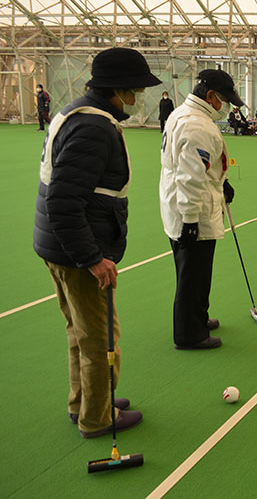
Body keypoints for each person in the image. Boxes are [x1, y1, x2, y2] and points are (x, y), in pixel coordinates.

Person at [34, 47, 160, 437]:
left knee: (80, 332)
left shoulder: (79, 112)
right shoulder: (93, 127)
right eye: (136, 89)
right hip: (76, 250)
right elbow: (64, 199)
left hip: (58, 245)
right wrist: (93, 258)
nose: (139, 97)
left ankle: (88, 401)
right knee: (99, 338)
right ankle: (97, 418)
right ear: (117, 89)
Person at [160, 69, 245, 349]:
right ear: (210, 96)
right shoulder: (196, 125)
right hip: (191, 208)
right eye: (224, 100)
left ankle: (198, 317)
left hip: (189, 202)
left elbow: (205, 167)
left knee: (196, 270)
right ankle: (189, 334)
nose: (226, 107)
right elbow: (191, 177)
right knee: (192, 273)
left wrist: (224, 181)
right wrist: (190, 219)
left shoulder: (185, 115)